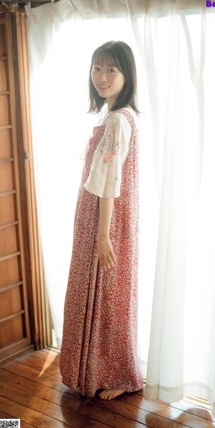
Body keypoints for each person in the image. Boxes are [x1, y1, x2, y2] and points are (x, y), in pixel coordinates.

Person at [60, 41, 143, 401]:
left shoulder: (117, 120)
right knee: (109, 294)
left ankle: (119, 374)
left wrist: (103, 234)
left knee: (108, 296)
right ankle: (99, 369)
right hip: (107, 217)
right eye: (97, 68)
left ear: (127, 75)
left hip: (105, 219)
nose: (102, 77)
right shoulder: (116, 116)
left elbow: (109, 180)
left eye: (111, 70)